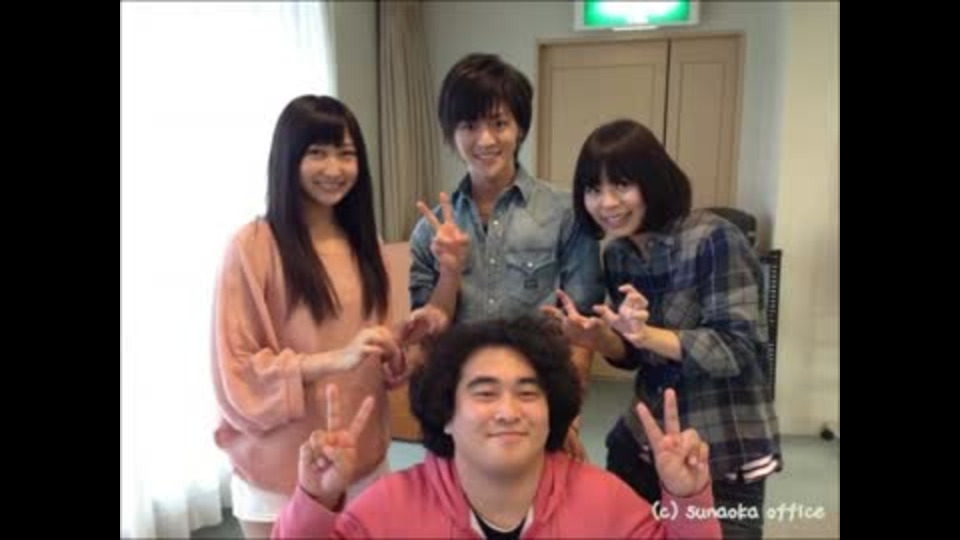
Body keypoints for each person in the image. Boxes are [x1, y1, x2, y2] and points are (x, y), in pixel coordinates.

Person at [272, 316, 722, 539]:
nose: (508, 411)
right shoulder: (389, 510)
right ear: (446, 414)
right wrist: (315, 500)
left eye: (527, 393)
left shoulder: (604, 502)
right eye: (485, 393)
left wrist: (688, 500)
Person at [546, 118, 781, 539]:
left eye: (621, 185)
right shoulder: (618, 255)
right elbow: (636, 355)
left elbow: (737, 347)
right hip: (645, 440)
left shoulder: (714, 238)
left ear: (653, 181)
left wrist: (646, 335)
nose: (607, 202)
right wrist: (599, 338)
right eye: (593, 189)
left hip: (721, 445)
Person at [211, 95, 428, 538]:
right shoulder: (252, 246)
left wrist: (397, 346)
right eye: (317, 153)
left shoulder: (365, 243)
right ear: (289, 158)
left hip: (362, 454)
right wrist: (335, 358)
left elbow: (373, 359)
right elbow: (237, 372)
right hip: (281, 467)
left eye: (346, 154)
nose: (334, 168)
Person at [408, 53, 605, 457]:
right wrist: (449, 271)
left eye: (499, 123)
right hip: (462, 407)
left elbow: (581, 325)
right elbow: (430, 336)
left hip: (539, 402)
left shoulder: (564, 213)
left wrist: (569, 415)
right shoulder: (430, 229)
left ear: (520, 128)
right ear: (451, 133)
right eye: (469, 126)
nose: (485, 140)